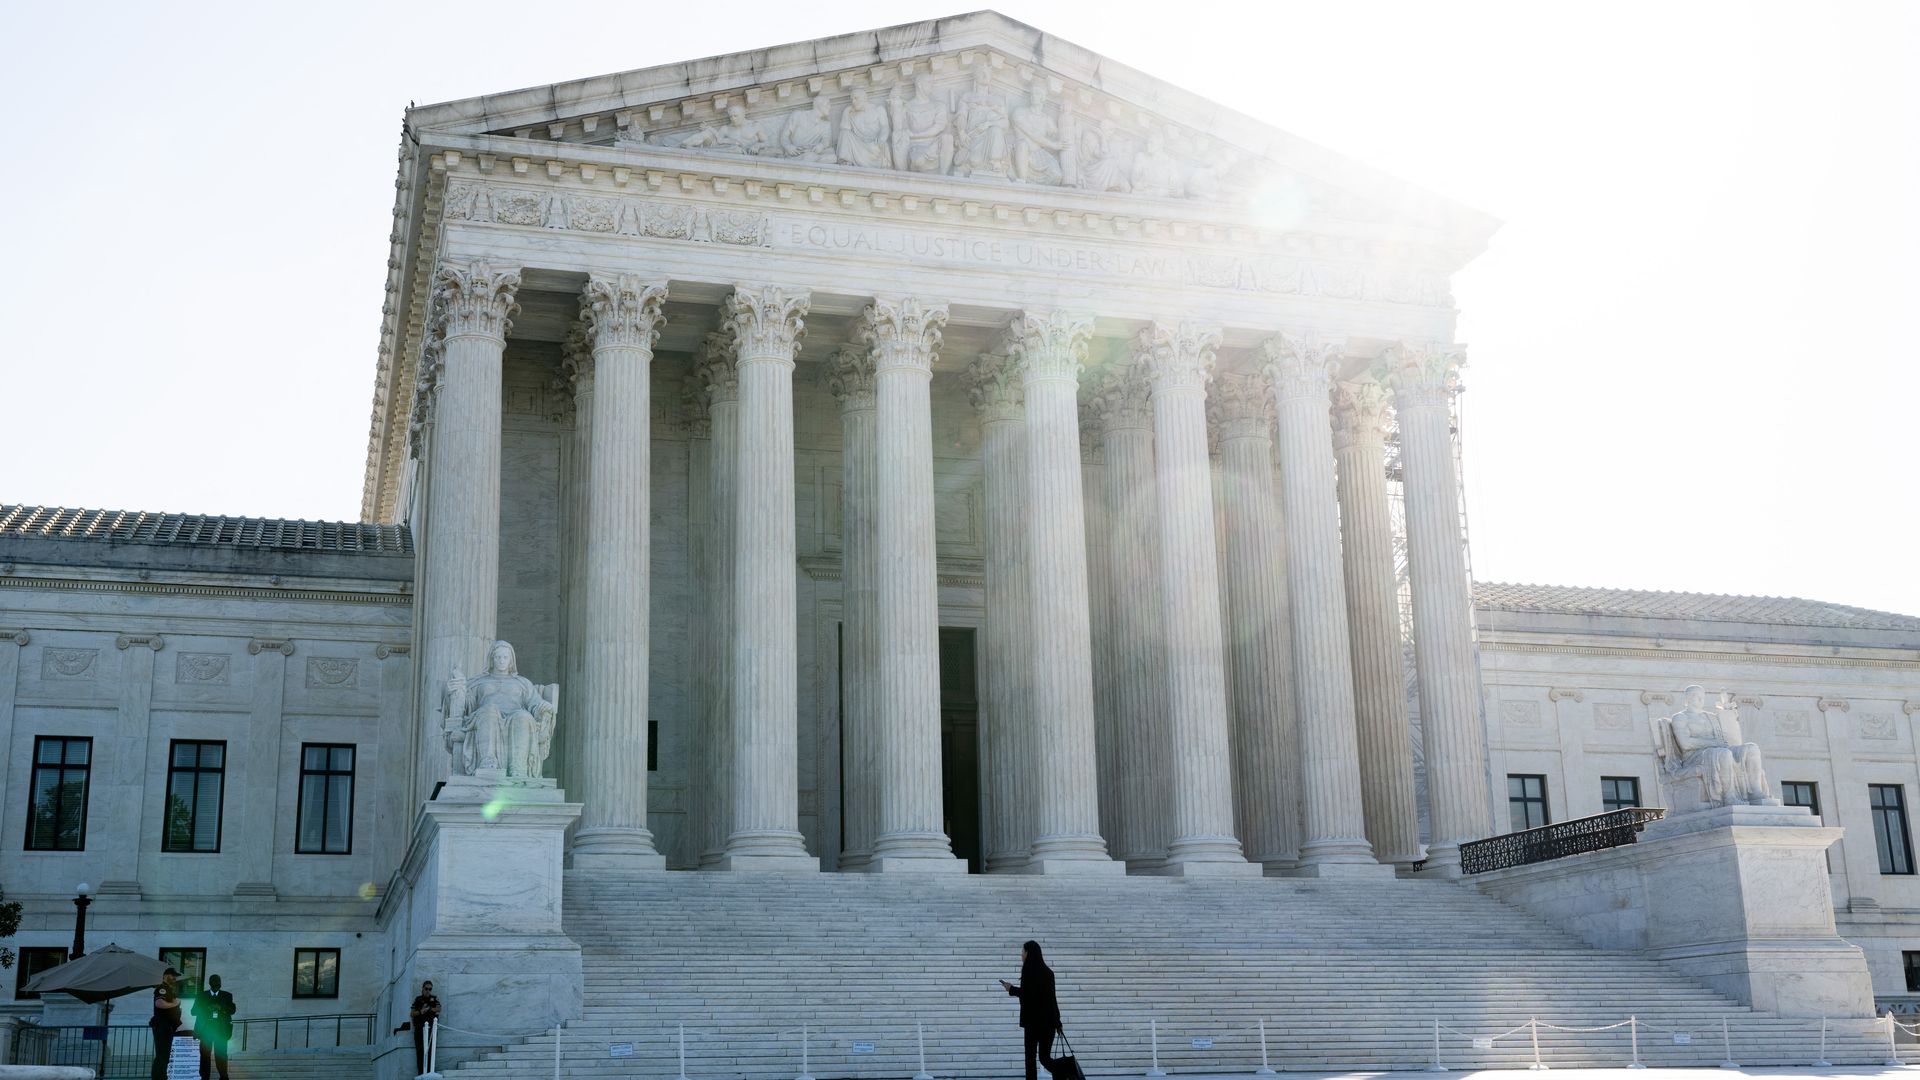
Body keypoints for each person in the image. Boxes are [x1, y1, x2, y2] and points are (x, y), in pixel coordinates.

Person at [999, 940, 1062, 1080]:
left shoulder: (1028, 971)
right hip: (1048, 1023)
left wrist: (1011, 989)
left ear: (1029, 953)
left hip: (1033, 1023)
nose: (1021, 955)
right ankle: (1065, 1073)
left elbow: (1028, 995)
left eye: (1023, 952)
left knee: (1030, 1059)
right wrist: (1058, 1022)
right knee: (1045, 1058)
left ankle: (1065, 1072)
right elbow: (1053, 999)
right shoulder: (1048, 973)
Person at [191, 973, 236, 1080]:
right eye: (214, 981)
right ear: (210, 983)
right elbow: (193, 1011)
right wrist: (207, 1008)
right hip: (205, 1031)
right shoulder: (201, 996)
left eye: (218, 981)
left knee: (221, 1055)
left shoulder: (227, 995)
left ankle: (224, 1077)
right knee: (205, 1056)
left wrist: (220, 1007)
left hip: (220, 1031)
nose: (217, 983)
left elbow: (232, 1010)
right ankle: (204, 1077)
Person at [149, 967, 182, 1080]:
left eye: (176, 976)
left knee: (165, 1055)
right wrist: (175, 1003)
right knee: (162, 1055)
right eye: (173, 976)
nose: (175, 978)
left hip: (168, 1027)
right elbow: (159, 1003)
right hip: (162, 1026)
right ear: (166, 975)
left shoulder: (169, 989)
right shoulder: (162, 988)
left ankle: (161, 1077)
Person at [410, 979, 441, 1076]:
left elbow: (439, 1009)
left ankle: (429, 1072)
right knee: (420, 1051)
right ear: (422, 989)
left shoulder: (434, 999)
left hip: (431, 1030)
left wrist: (429, 1009)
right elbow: (412, 1013)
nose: (428, 991)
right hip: (419, 1029)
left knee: (431, 1051)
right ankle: (421, 1073)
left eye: (430, 989)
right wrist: (421, 1011)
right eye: (426, 989)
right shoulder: (418, 999)